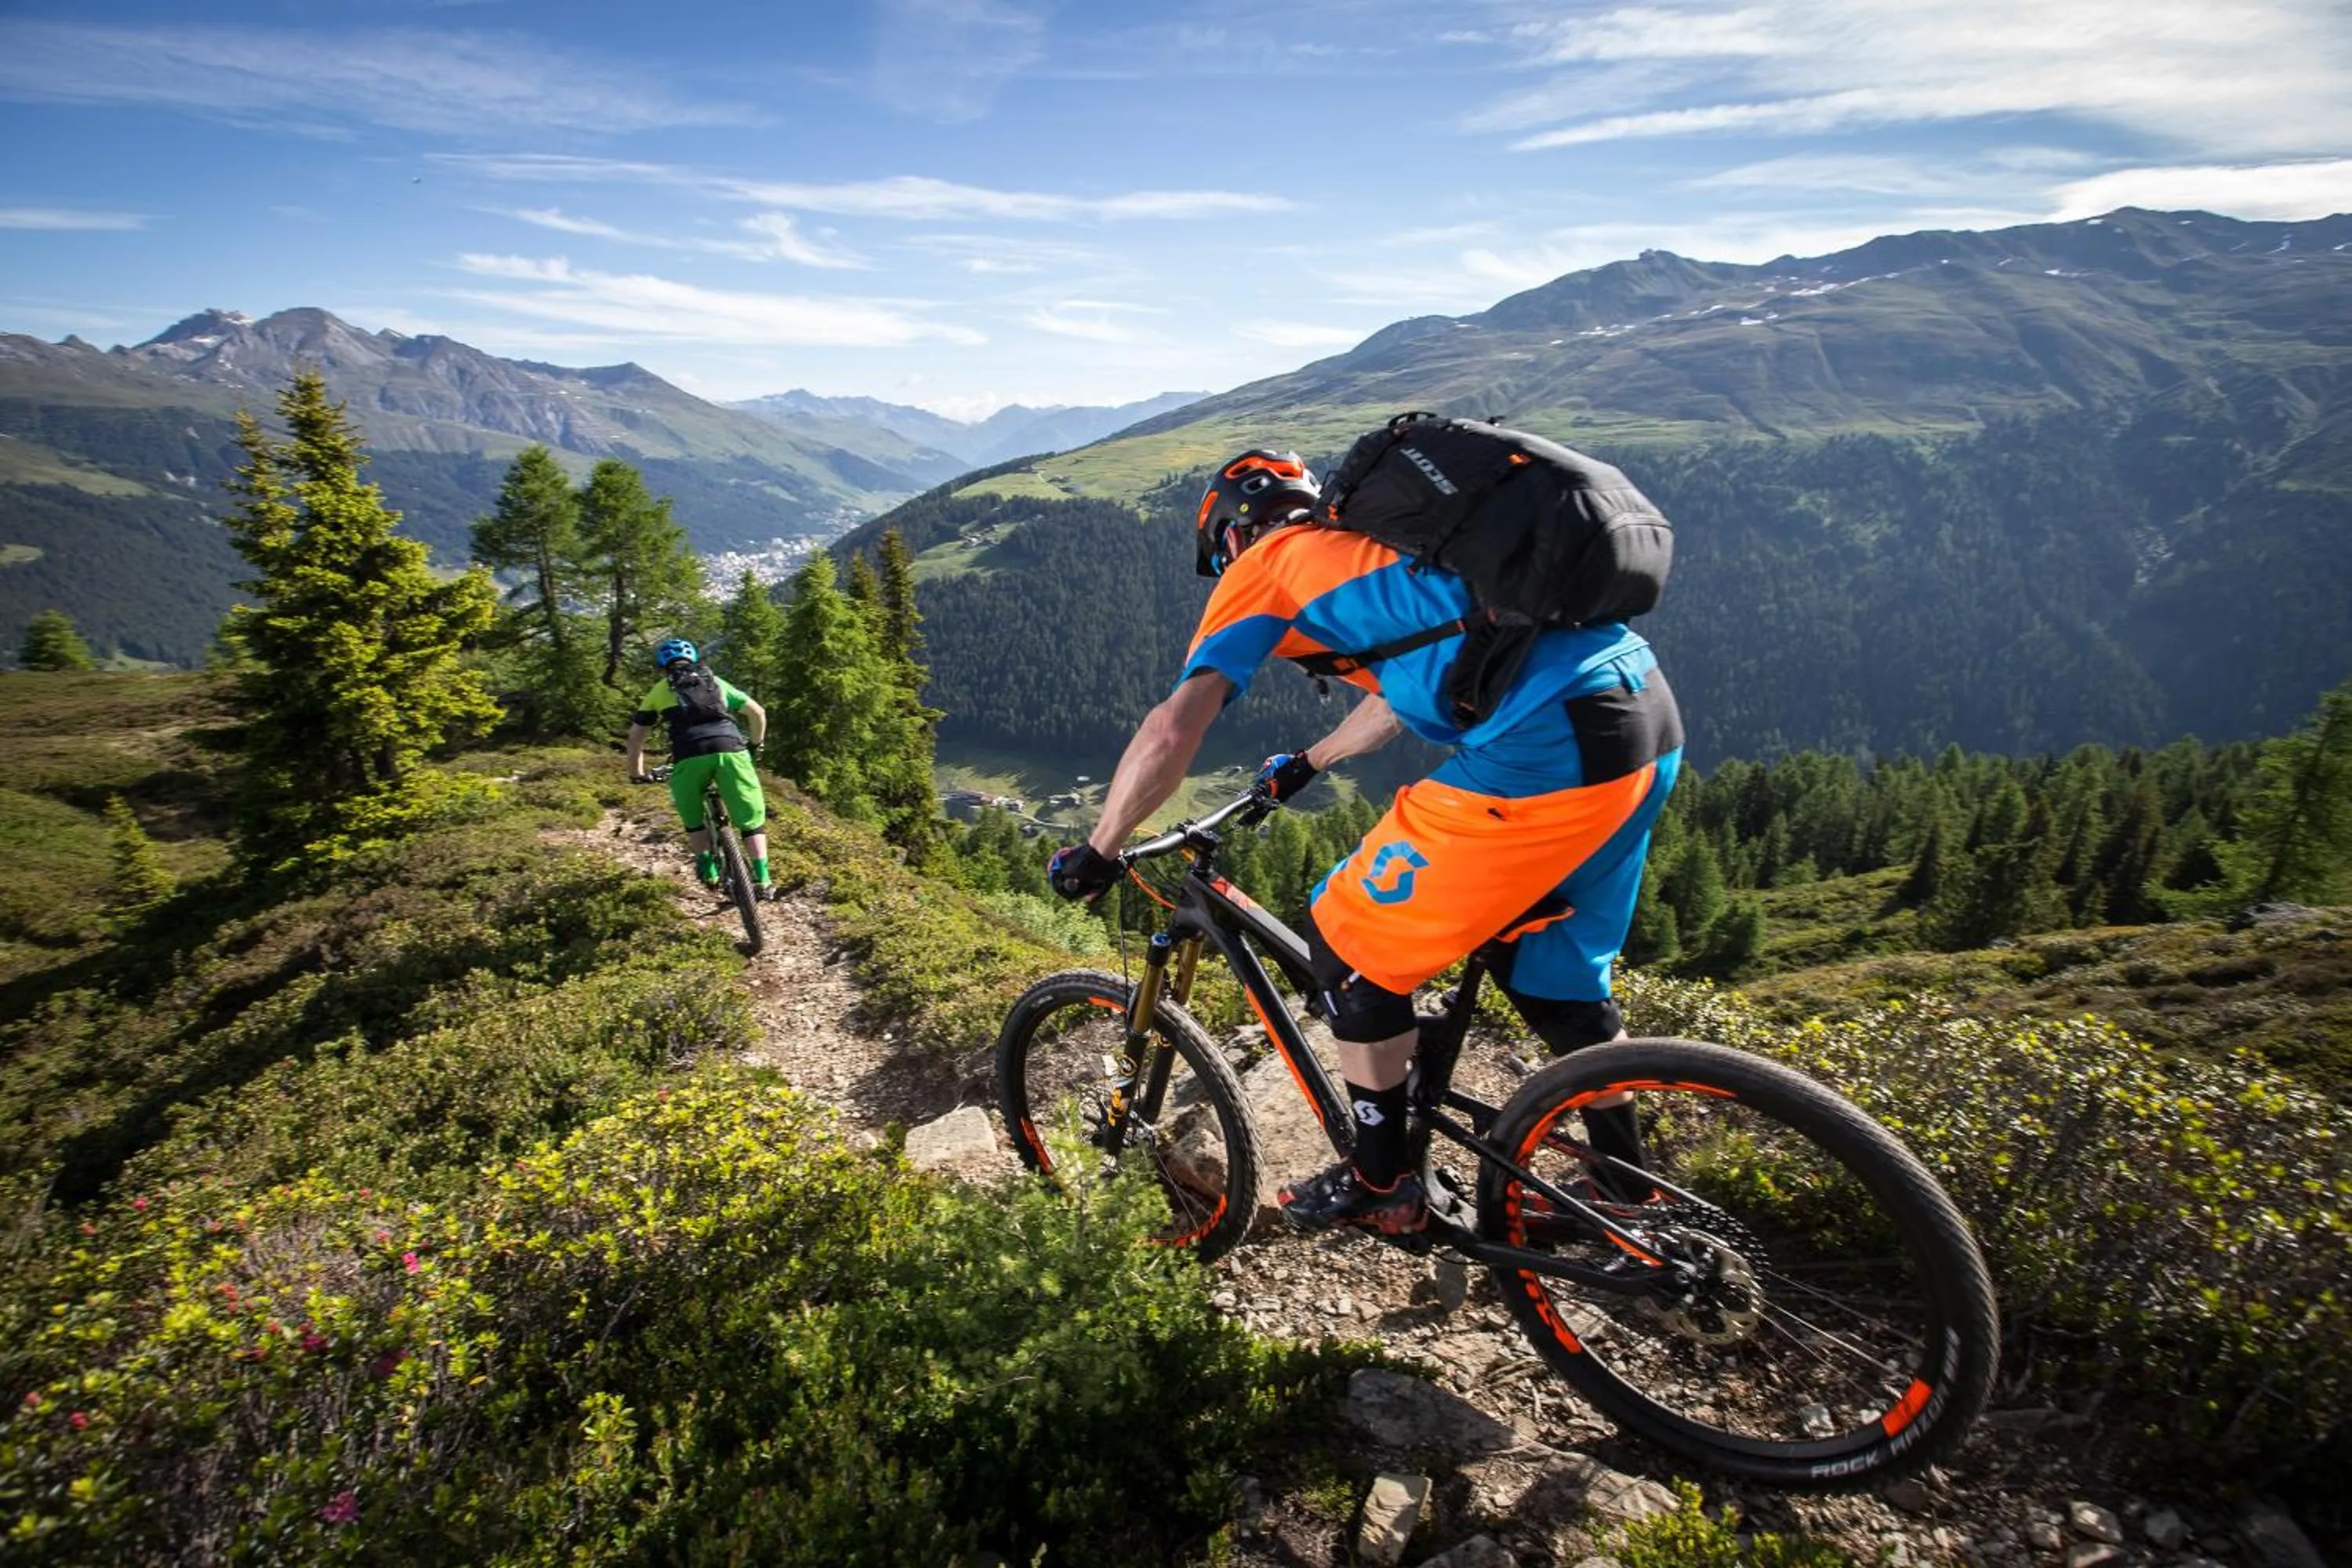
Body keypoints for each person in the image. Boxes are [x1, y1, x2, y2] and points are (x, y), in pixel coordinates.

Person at [1048, 448, 1682, 1234]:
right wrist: (1310, 762)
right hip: (1641, 720)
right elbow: (1393, 701)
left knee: (1344, 937)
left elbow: (1176, 723)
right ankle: (1634, 1195)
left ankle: (1382, 1182)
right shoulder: (1389, 553)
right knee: (1557, 981)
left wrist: (1101, 847)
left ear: (1234, 534)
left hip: (1543, 745)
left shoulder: (1268, 563)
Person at [626, 637, 776, 898]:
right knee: (751, 820)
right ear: (695, 661)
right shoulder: (716, 682)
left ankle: (708, 869)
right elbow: (758, 713)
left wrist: (637, 774)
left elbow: (637, 737)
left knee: (693, 819)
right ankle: (763, 879)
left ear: (663, 669)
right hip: (731, 749)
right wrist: (755, 746)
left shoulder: (659, 691)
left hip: (689, 753)